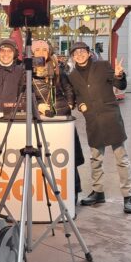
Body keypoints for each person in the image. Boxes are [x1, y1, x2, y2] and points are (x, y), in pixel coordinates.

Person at [66, 42, 131, 214]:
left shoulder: (103, 66)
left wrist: (119, 75)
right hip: (93, 121)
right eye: (76, 53)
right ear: (72, 57)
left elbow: (120, 86)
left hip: (110, 117)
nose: (79, 55)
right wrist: (81, 105)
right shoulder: (72, 75)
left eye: (82, 51)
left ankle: (128, 196)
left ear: (89, 53)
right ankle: (98, 192)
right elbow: (76, 97)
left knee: (121, 158)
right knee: (95, 158)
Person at [31, 39, 84, 198]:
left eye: (44, 49)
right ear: (32, 52)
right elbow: (24, 92)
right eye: (37, 49)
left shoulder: (58, 67)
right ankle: (45, 190)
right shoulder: (27, 70)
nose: (41, 52)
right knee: (47, 156)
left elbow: (67, 87)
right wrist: (36, 106)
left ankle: (72, 191)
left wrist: (69, 104)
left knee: (66, 154)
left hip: (61, 114)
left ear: (49, 52)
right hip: (41, 115)